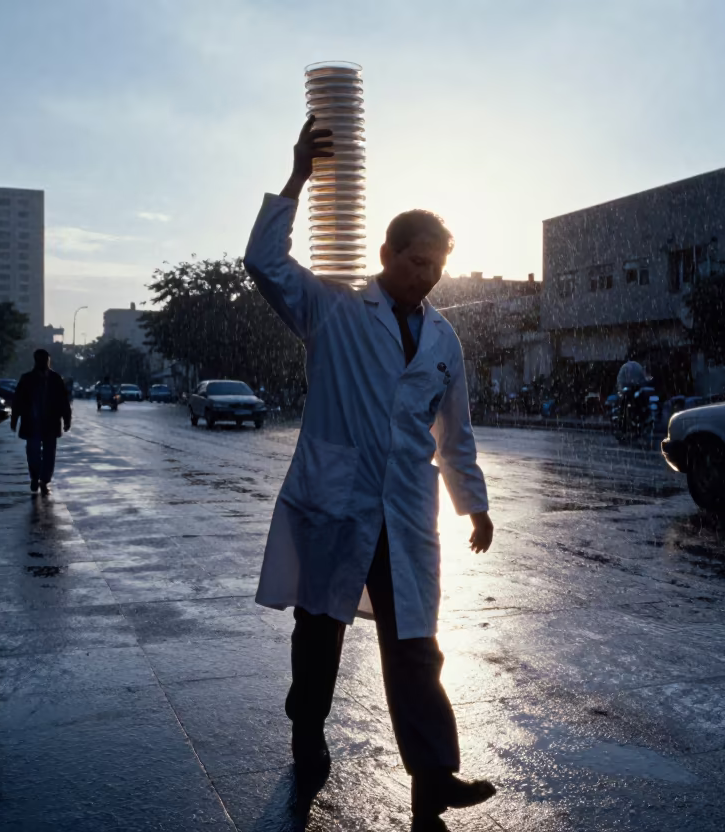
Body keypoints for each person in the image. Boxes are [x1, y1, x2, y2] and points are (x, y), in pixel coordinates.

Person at [245, 117, 496, 832]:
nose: (427, 277)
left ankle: (433, 777)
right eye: (417, 263)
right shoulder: (333, 308)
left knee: (416, 642)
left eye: (438, 267)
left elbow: (457, 433)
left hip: (406, 514)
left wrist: (473, 506)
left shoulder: (445, 339)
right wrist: (296, 174)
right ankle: (307, 730)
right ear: (386, 253)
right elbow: (263, 260)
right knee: (319, 633)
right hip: (337, 502)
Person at [11, 349, 72, 494]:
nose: (44, 362)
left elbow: (64, 401)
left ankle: (44, 481)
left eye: (46, 360)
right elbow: (18, 401)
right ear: (36, 361)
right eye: (41, 360)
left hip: (50, 422)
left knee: (49, 454)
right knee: (33, 453)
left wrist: (67, 419)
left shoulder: (56, 379)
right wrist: (14, 418)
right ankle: (34, 478)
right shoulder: (26, 379)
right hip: (32, 422)